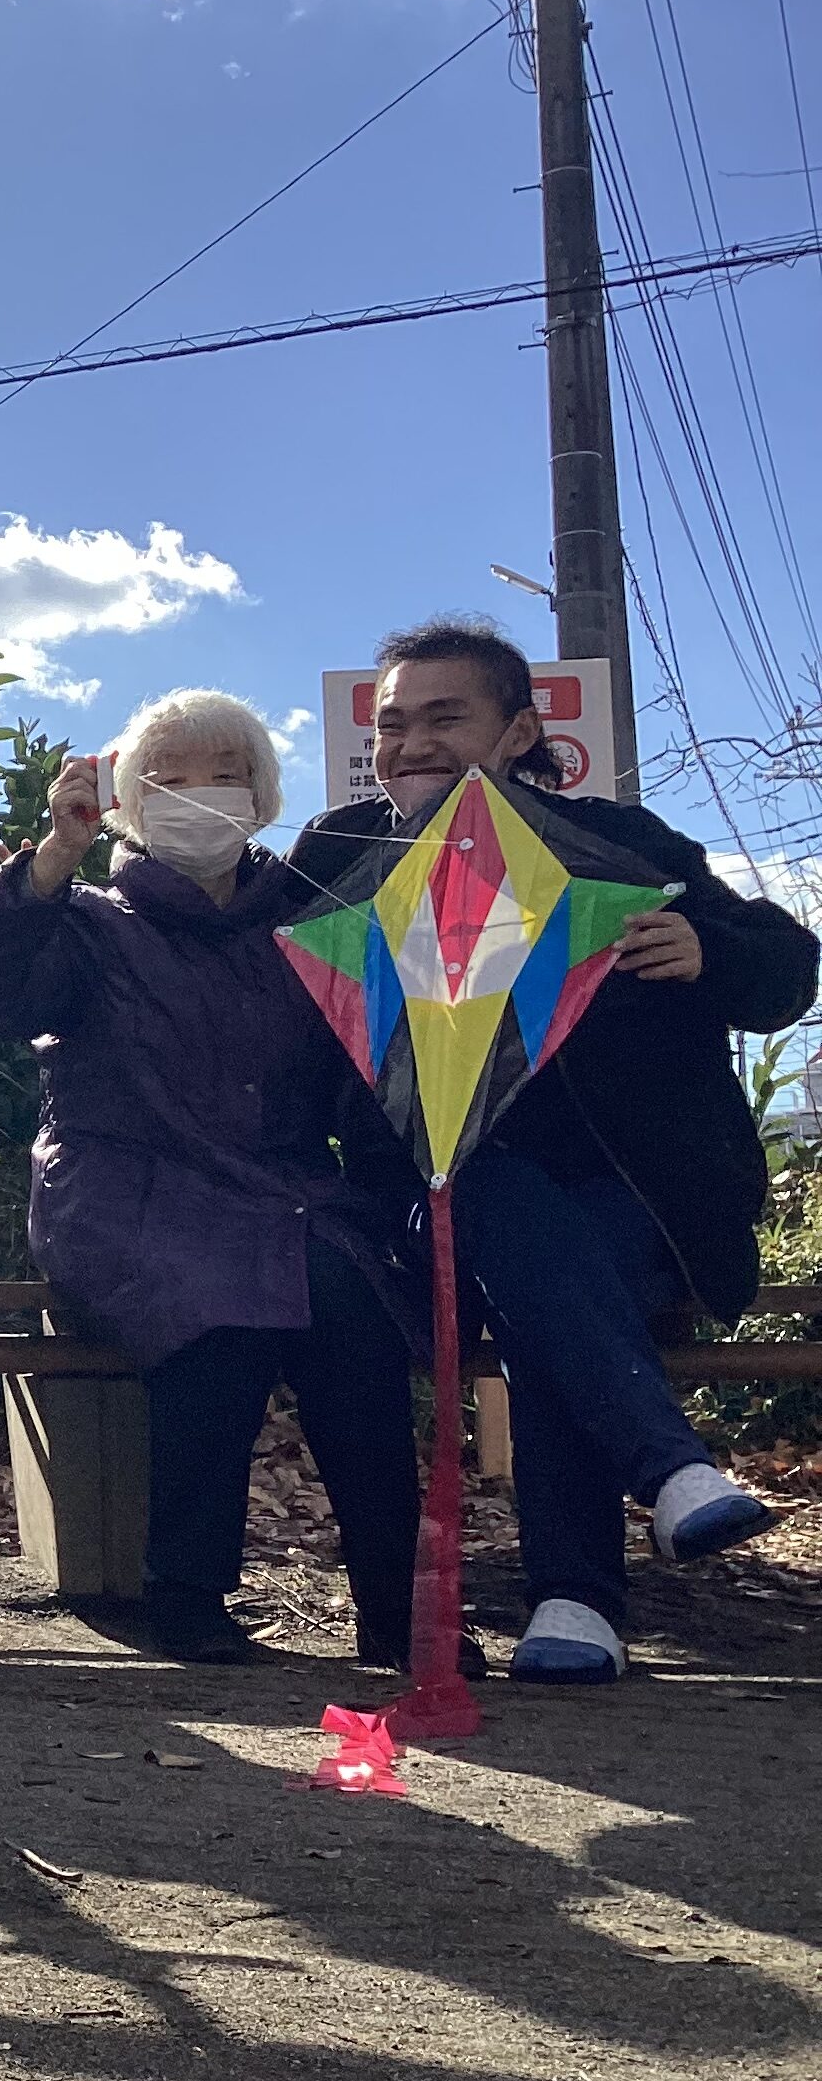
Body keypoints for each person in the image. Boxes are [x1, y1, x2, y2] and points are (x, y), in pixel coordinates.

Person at [291, 615, 816, 1683]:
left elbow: (785, 968)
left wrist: (706, 950)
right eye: (392, 724)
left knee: (551, 1263)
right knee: (492, 1198)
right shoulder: (340, 856)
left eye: (446, 718)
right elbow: (234, 954)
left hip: (636, 1195)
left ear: (521, 731)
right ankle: (648, 1497)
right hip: (426, 1199)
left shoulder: (620, 842)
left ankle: (584, 1596)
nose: (411, 744)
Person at [0, 690, 430, 1667]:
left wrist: (399, 1202)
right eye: (168, 779)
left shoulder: (311, 925)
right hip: (125, 1193)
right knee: (215, 1314)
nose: (201, 795)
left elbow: (364, 1084)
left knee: (357, 1313)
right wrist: (52, 860)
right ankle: (186, 1592)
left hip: (285, 1197)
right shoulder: (89, 923)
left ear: (262, 793)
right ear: (126, 799)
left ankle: (398, 1608)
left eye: (226, 774)